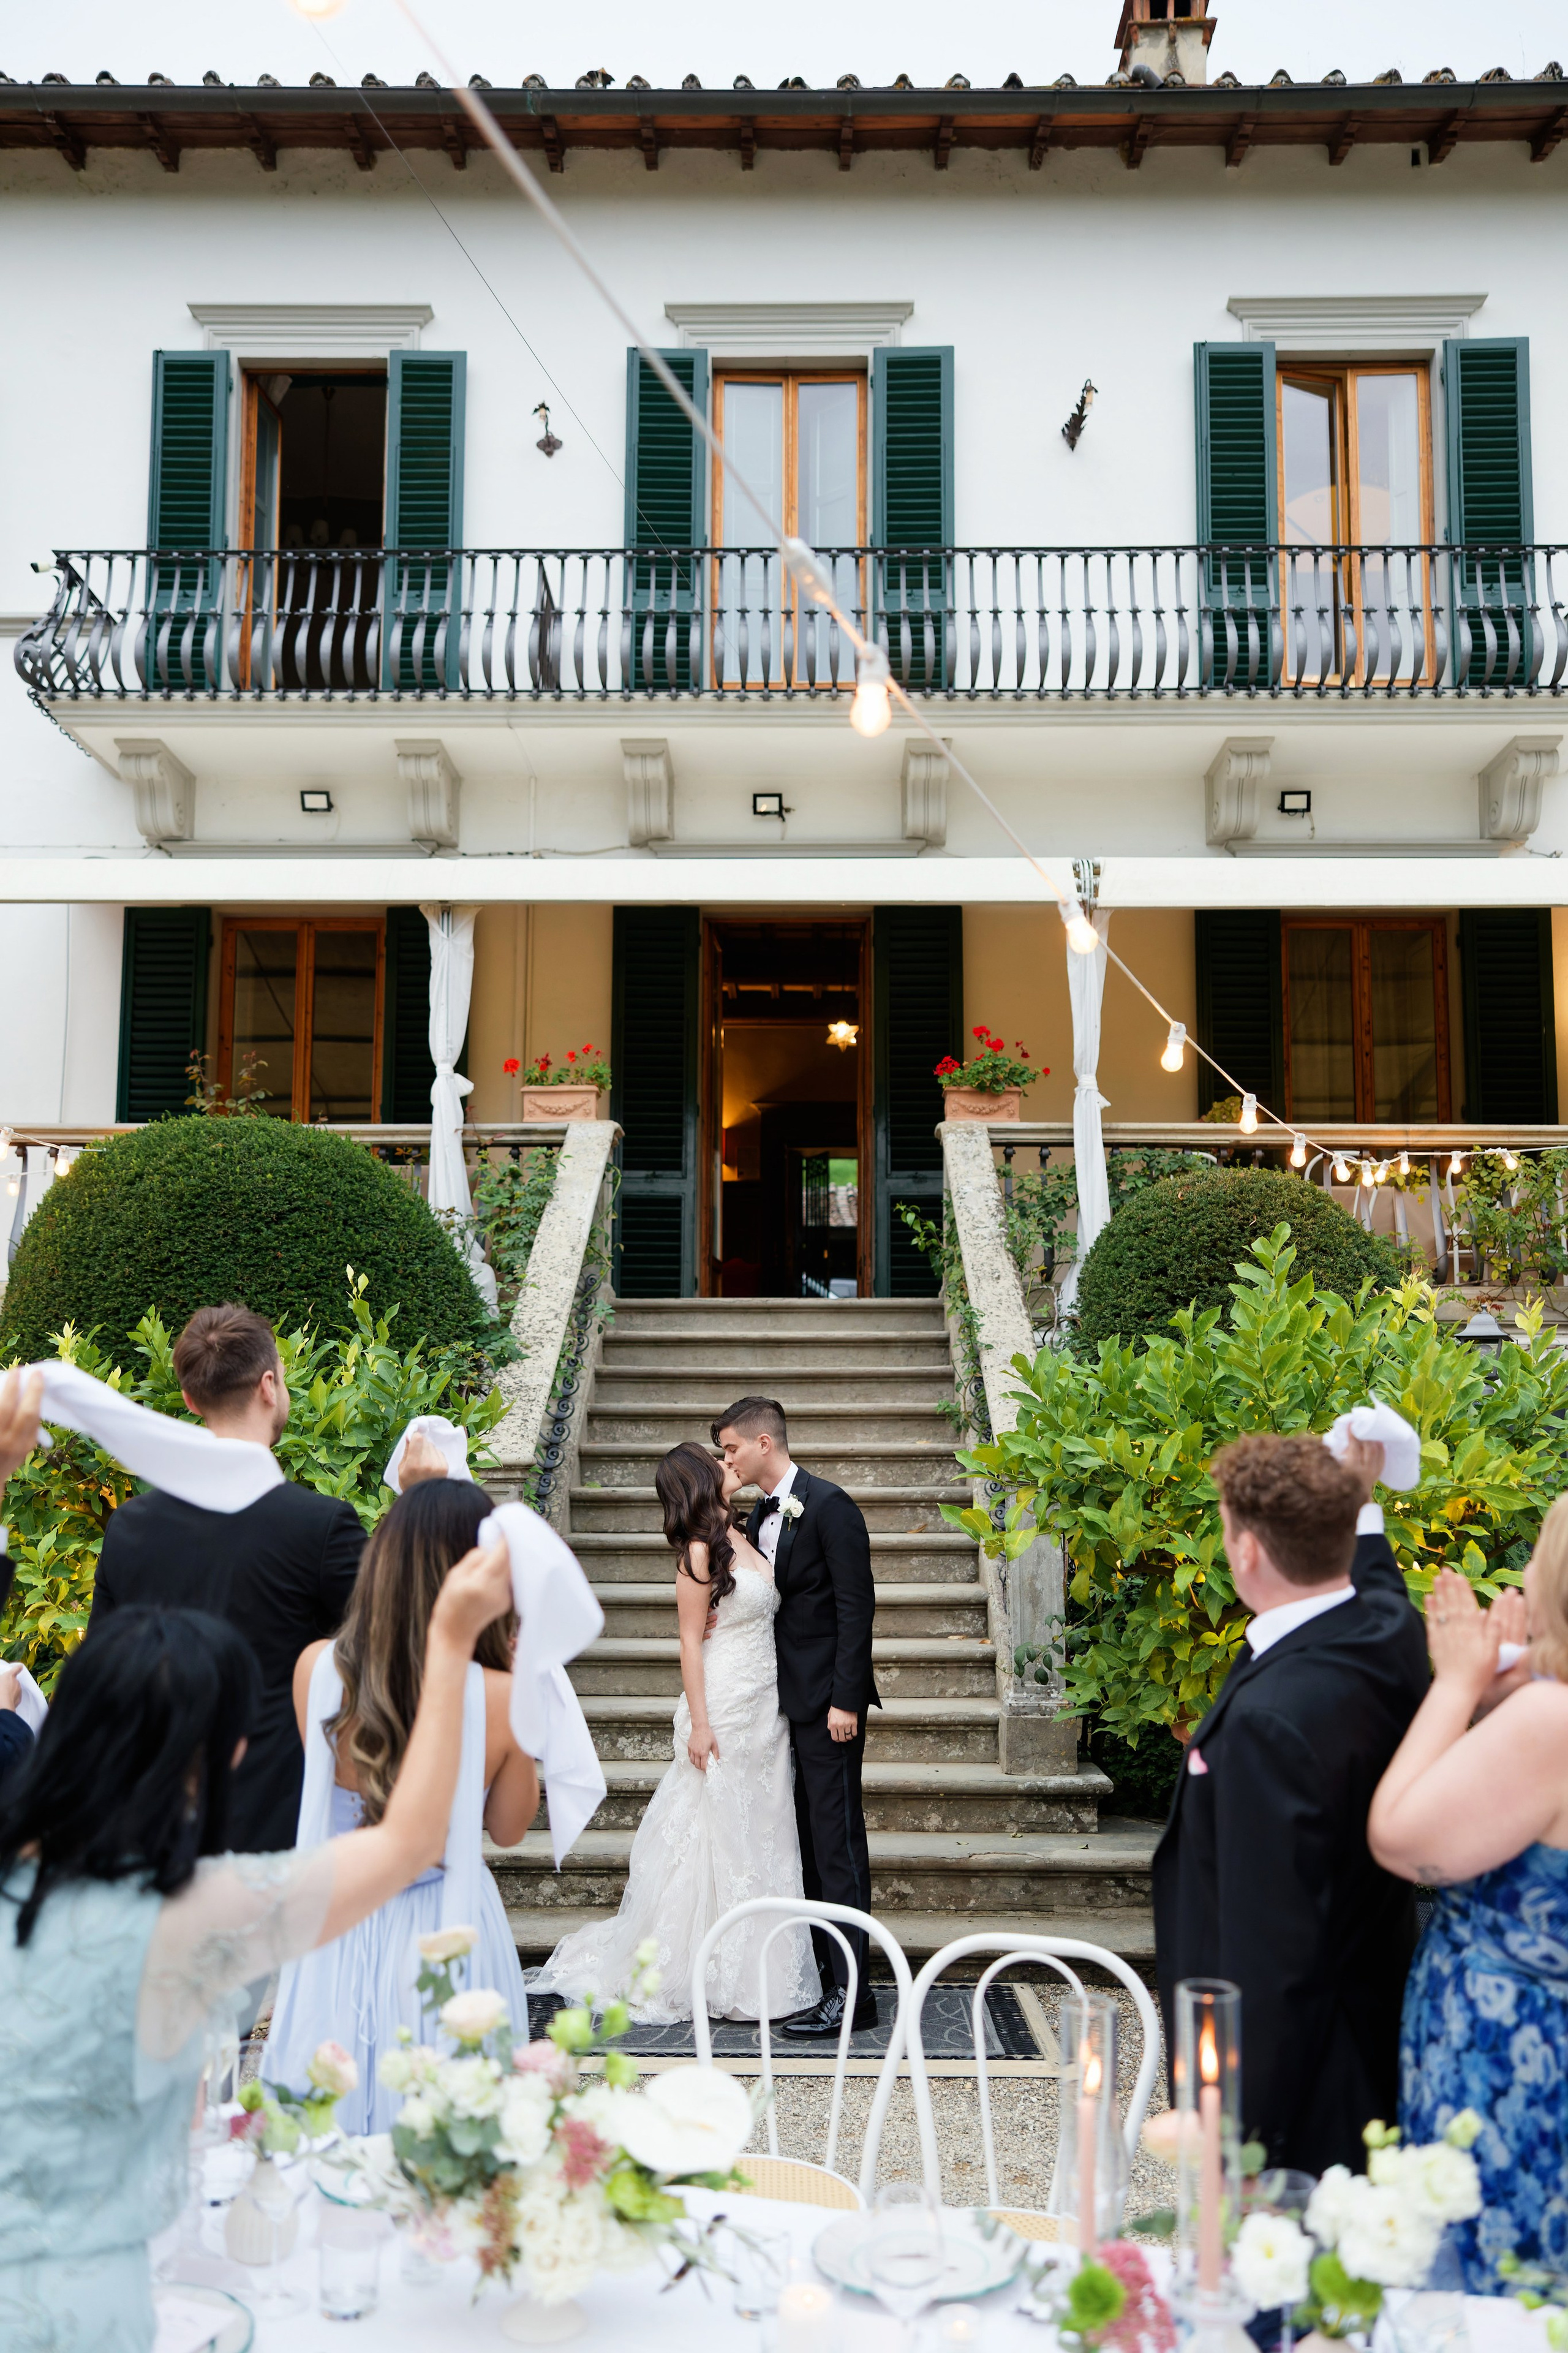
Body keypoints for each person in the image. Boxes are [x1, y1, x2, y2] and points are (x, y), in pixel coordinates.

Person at [0, 1381, 515, 2353]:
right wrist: (449, 1638)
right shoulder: (196, 1914)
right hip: (102, 2317)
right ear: (212, 1755)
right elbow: (409, 1840)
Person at [1152, 1430, 1428, 2174]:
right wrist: (1361, 1507)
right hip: (1373, 2037)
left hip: (1304, 2098)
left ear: (1245, 1551)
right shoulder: (1388, 1633)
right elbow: (1379, 1586)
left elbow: (1270, 1958)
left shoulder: (1266, 1726)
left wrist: (1235, 2138)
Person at [266, 1478, 538, 2132]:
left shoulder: (316, 1669)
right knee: (453, 2135)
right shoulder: (500, 1696)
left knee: (327, 2129)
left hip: (339, 1924)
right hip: (448, 1931)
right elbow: (507, 1827)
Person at [530, 1443, 819, 2025]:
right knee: (718, 1833)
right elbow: (690, 1639)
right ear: (698, 1479)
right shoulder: (697, 1551)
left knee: (763, 1829)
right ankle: (701, 1967)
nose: (728, 1462)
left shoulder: (743, 1533)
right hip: (723, 1704)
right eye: (716, 1459)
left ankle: (765, 1969)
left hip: (765, 1704)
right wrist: (702, 1720)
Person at [1370, 1504, 1568, 2288]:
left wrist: (1454, 1685)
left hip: (1508, 2073)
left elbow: (1399, 1837)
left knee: (1488, 2299)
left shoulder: (1553, 1720)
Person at [90, 1304, 366, 1850]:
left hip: (157, 1830)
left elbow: (106, 1681)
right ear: (269, 1385)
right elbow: (390, 1647)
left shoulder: (128, 1527)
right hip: (281, 1829)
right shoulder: (321, 1526)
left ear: (191, 1401)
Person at [715, 1396, 879, 2038]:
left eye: (731, 1448)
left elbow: (855, 1608)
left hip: (826, 1706)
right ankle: (819, 1974)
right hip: (776, 1701)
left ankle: (855, 1994)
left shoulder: (831, 1506)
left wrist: (846, 1699)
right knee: (805, 1844)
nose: (726, 1459)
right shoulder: (758, 1511)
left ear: (763, 1441)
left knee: (836, 1846)